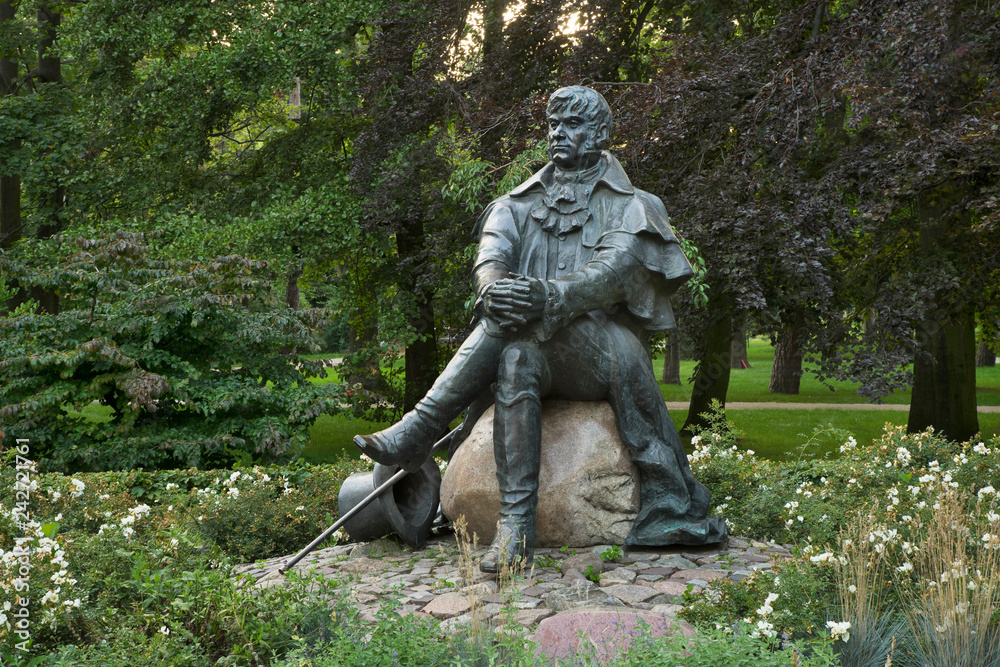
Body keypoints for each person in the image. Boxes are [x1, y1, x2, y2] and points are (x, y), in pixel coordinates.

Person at [355, 85, 727, 572]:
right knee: (516, 355)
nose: (557, 133)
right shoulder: (514, 204)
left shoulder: (634, 205)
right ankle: (516, 526)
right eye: (553, 124)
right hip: (535, 348)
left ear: (600, 134)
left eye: (572, 124)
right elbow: (490, 261)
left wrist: (547, 297)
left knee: (522, 324)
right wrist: (493, 291)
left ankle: (422, 427)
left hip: (606, 356)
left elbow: (611, 275)